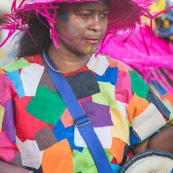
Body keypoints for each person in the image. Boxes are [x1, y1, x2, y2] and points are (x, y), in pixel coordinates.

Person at [0, 0, 173, 173]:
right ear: (52, 16)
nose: (97, 26)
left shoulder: (121, 76)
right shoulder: (10, 82)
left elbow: (148, 147)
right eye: (85, 15)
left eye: (103, 15)